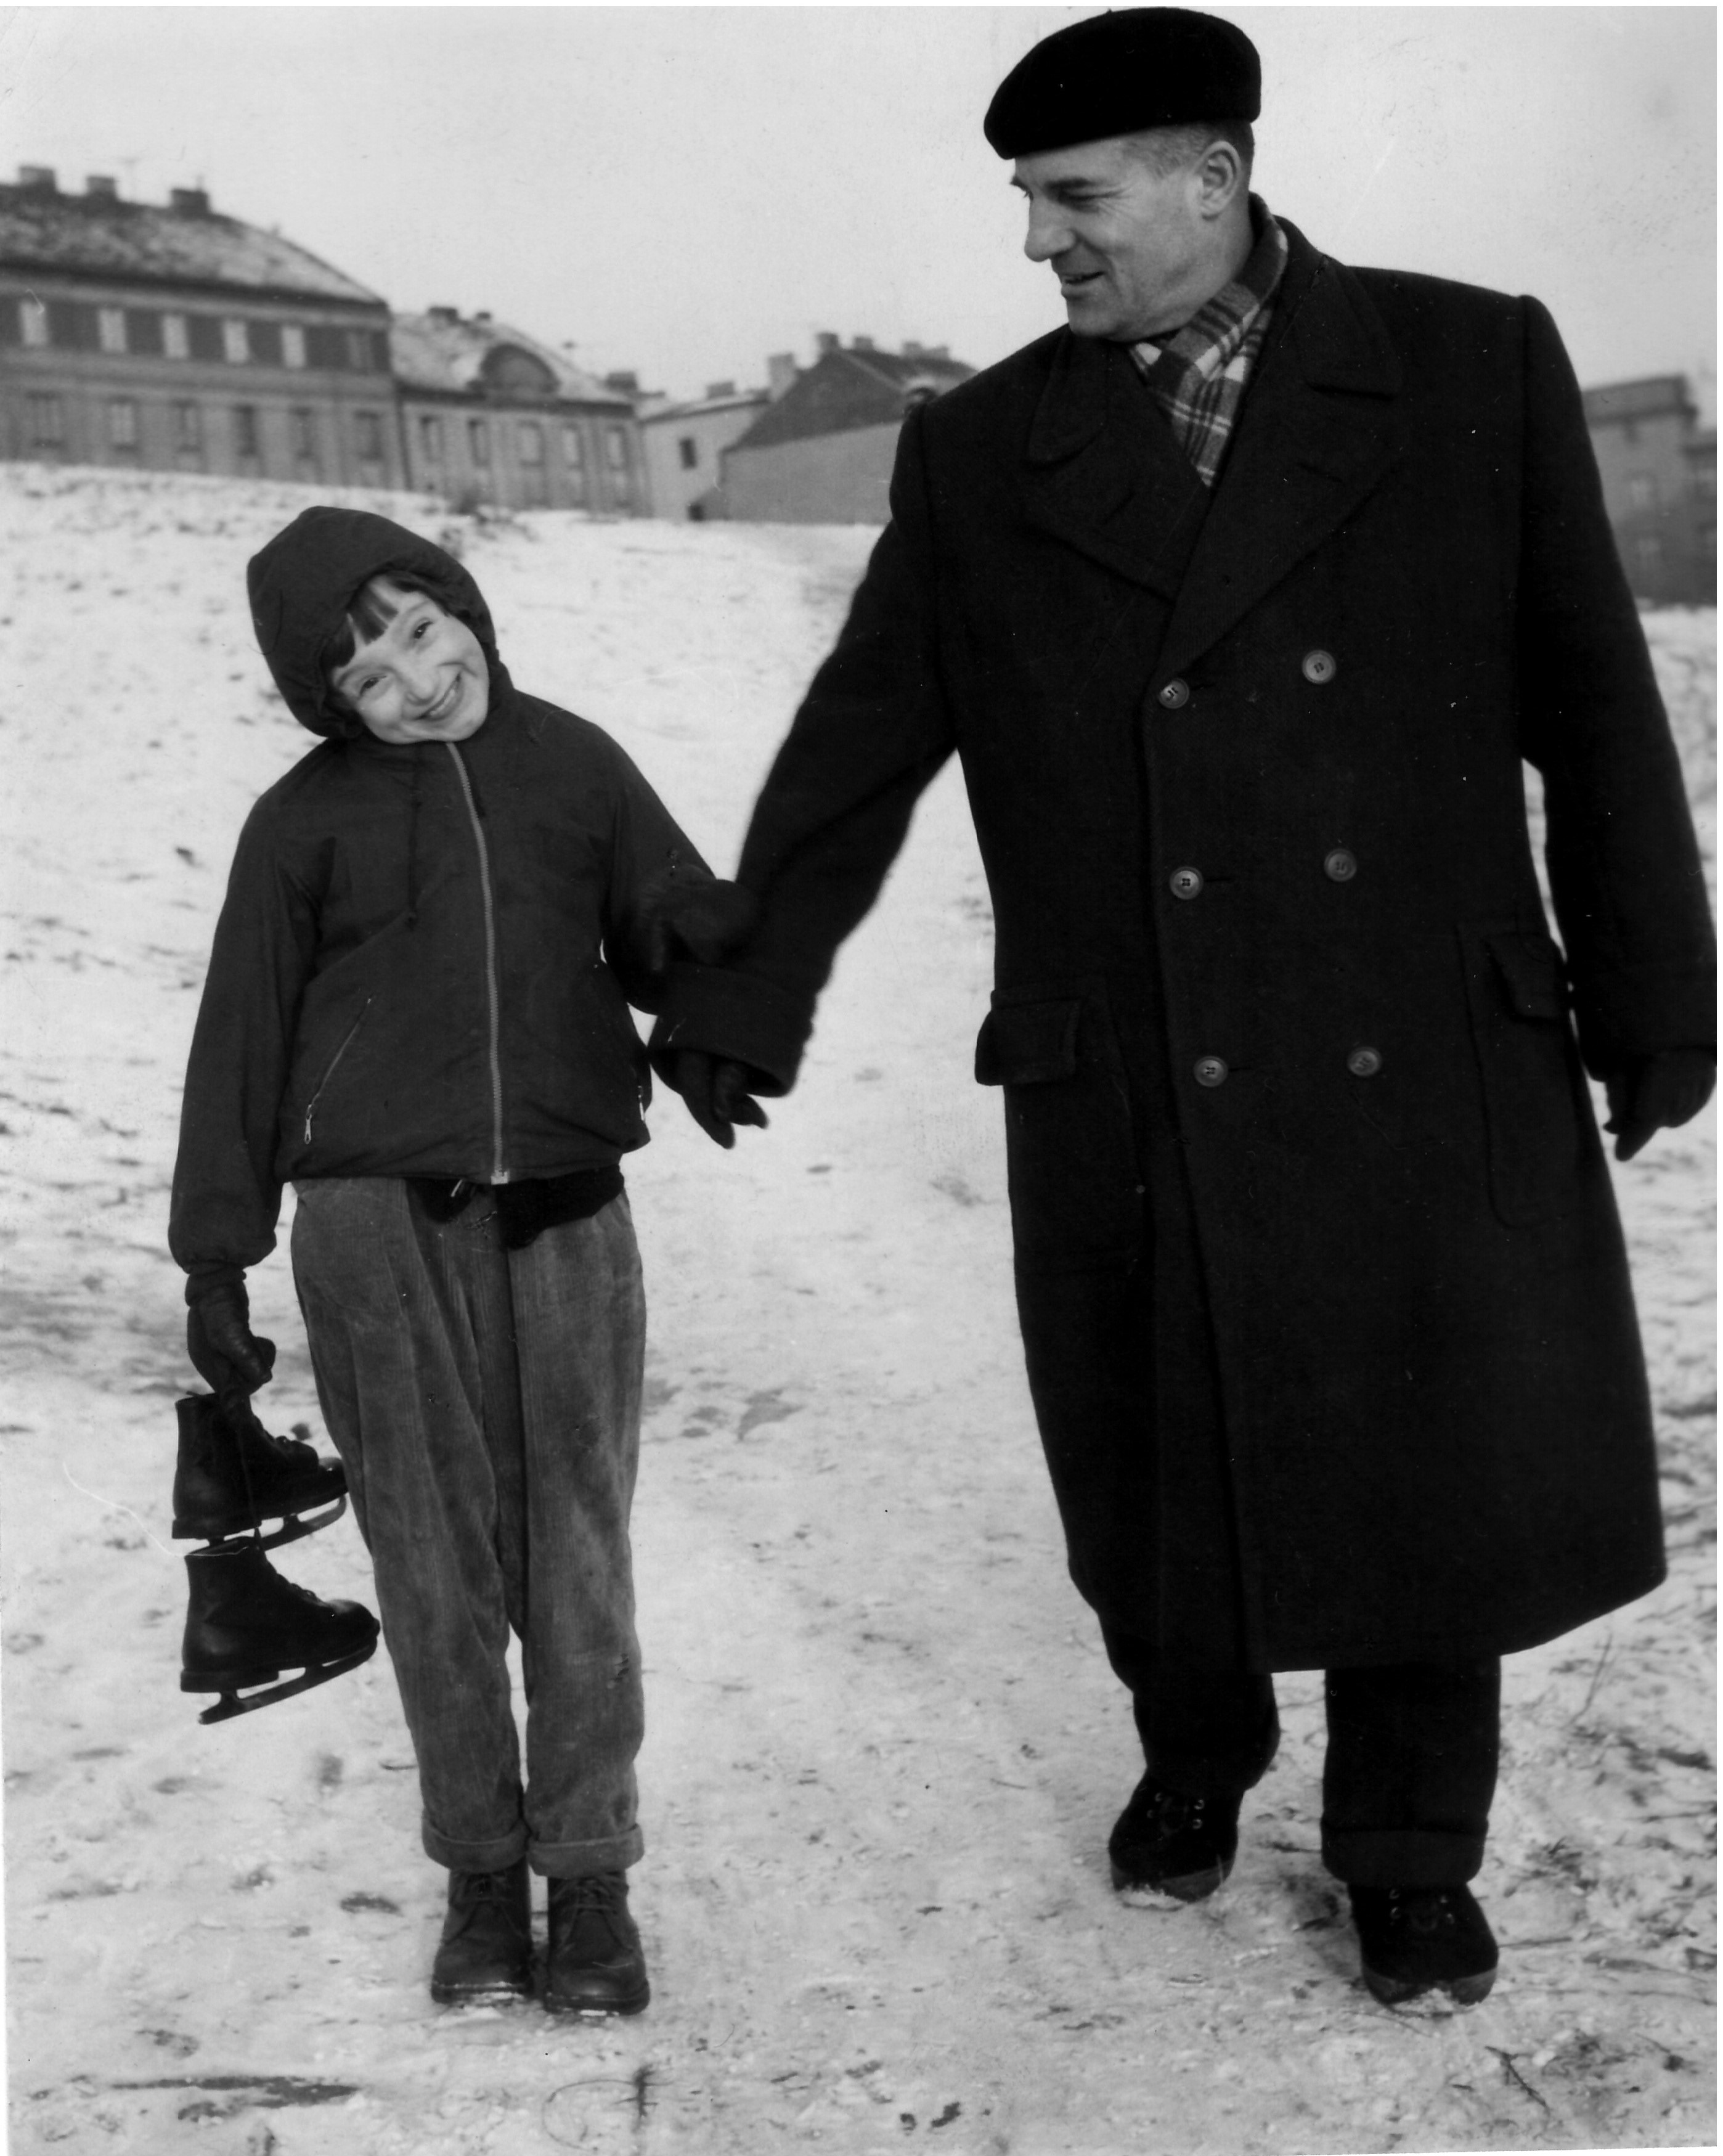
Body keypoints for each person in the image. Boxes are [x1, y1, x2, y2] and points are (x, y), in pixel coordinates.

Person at [648, 7, 1716, 2007]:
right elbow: (865, 727)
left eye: (1071, 196)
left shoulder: (1467, 360)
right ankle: (1196, 1746)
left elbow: (1590, 693)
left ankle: (1408, 1848)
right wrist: (744, 980)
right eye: (1022, 201)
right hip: (1132, 1050)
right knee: (1156, 1453)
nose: (1034, 241)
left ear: (1211, 177)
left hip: (1418, 1035)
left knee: (1423, 1462)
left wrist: (1654, 983)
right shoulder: (981, 449)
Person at [170, 506, 714, 2017]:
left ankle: (588, 1875)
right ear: (330, 705)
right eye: (367, 676)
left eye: (420, 630)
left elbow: (668, 924)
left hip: (569, 1215)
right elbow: (241, 1037)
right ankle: (481, 1873)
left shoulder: (578, 763)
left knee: (578, 1551)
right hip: (372, 1228)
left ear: (462, 604)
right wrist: (217, 1256)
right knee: (428, 1556)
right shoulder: (300, 825)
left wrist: (714, 1008)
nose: (416, 681)